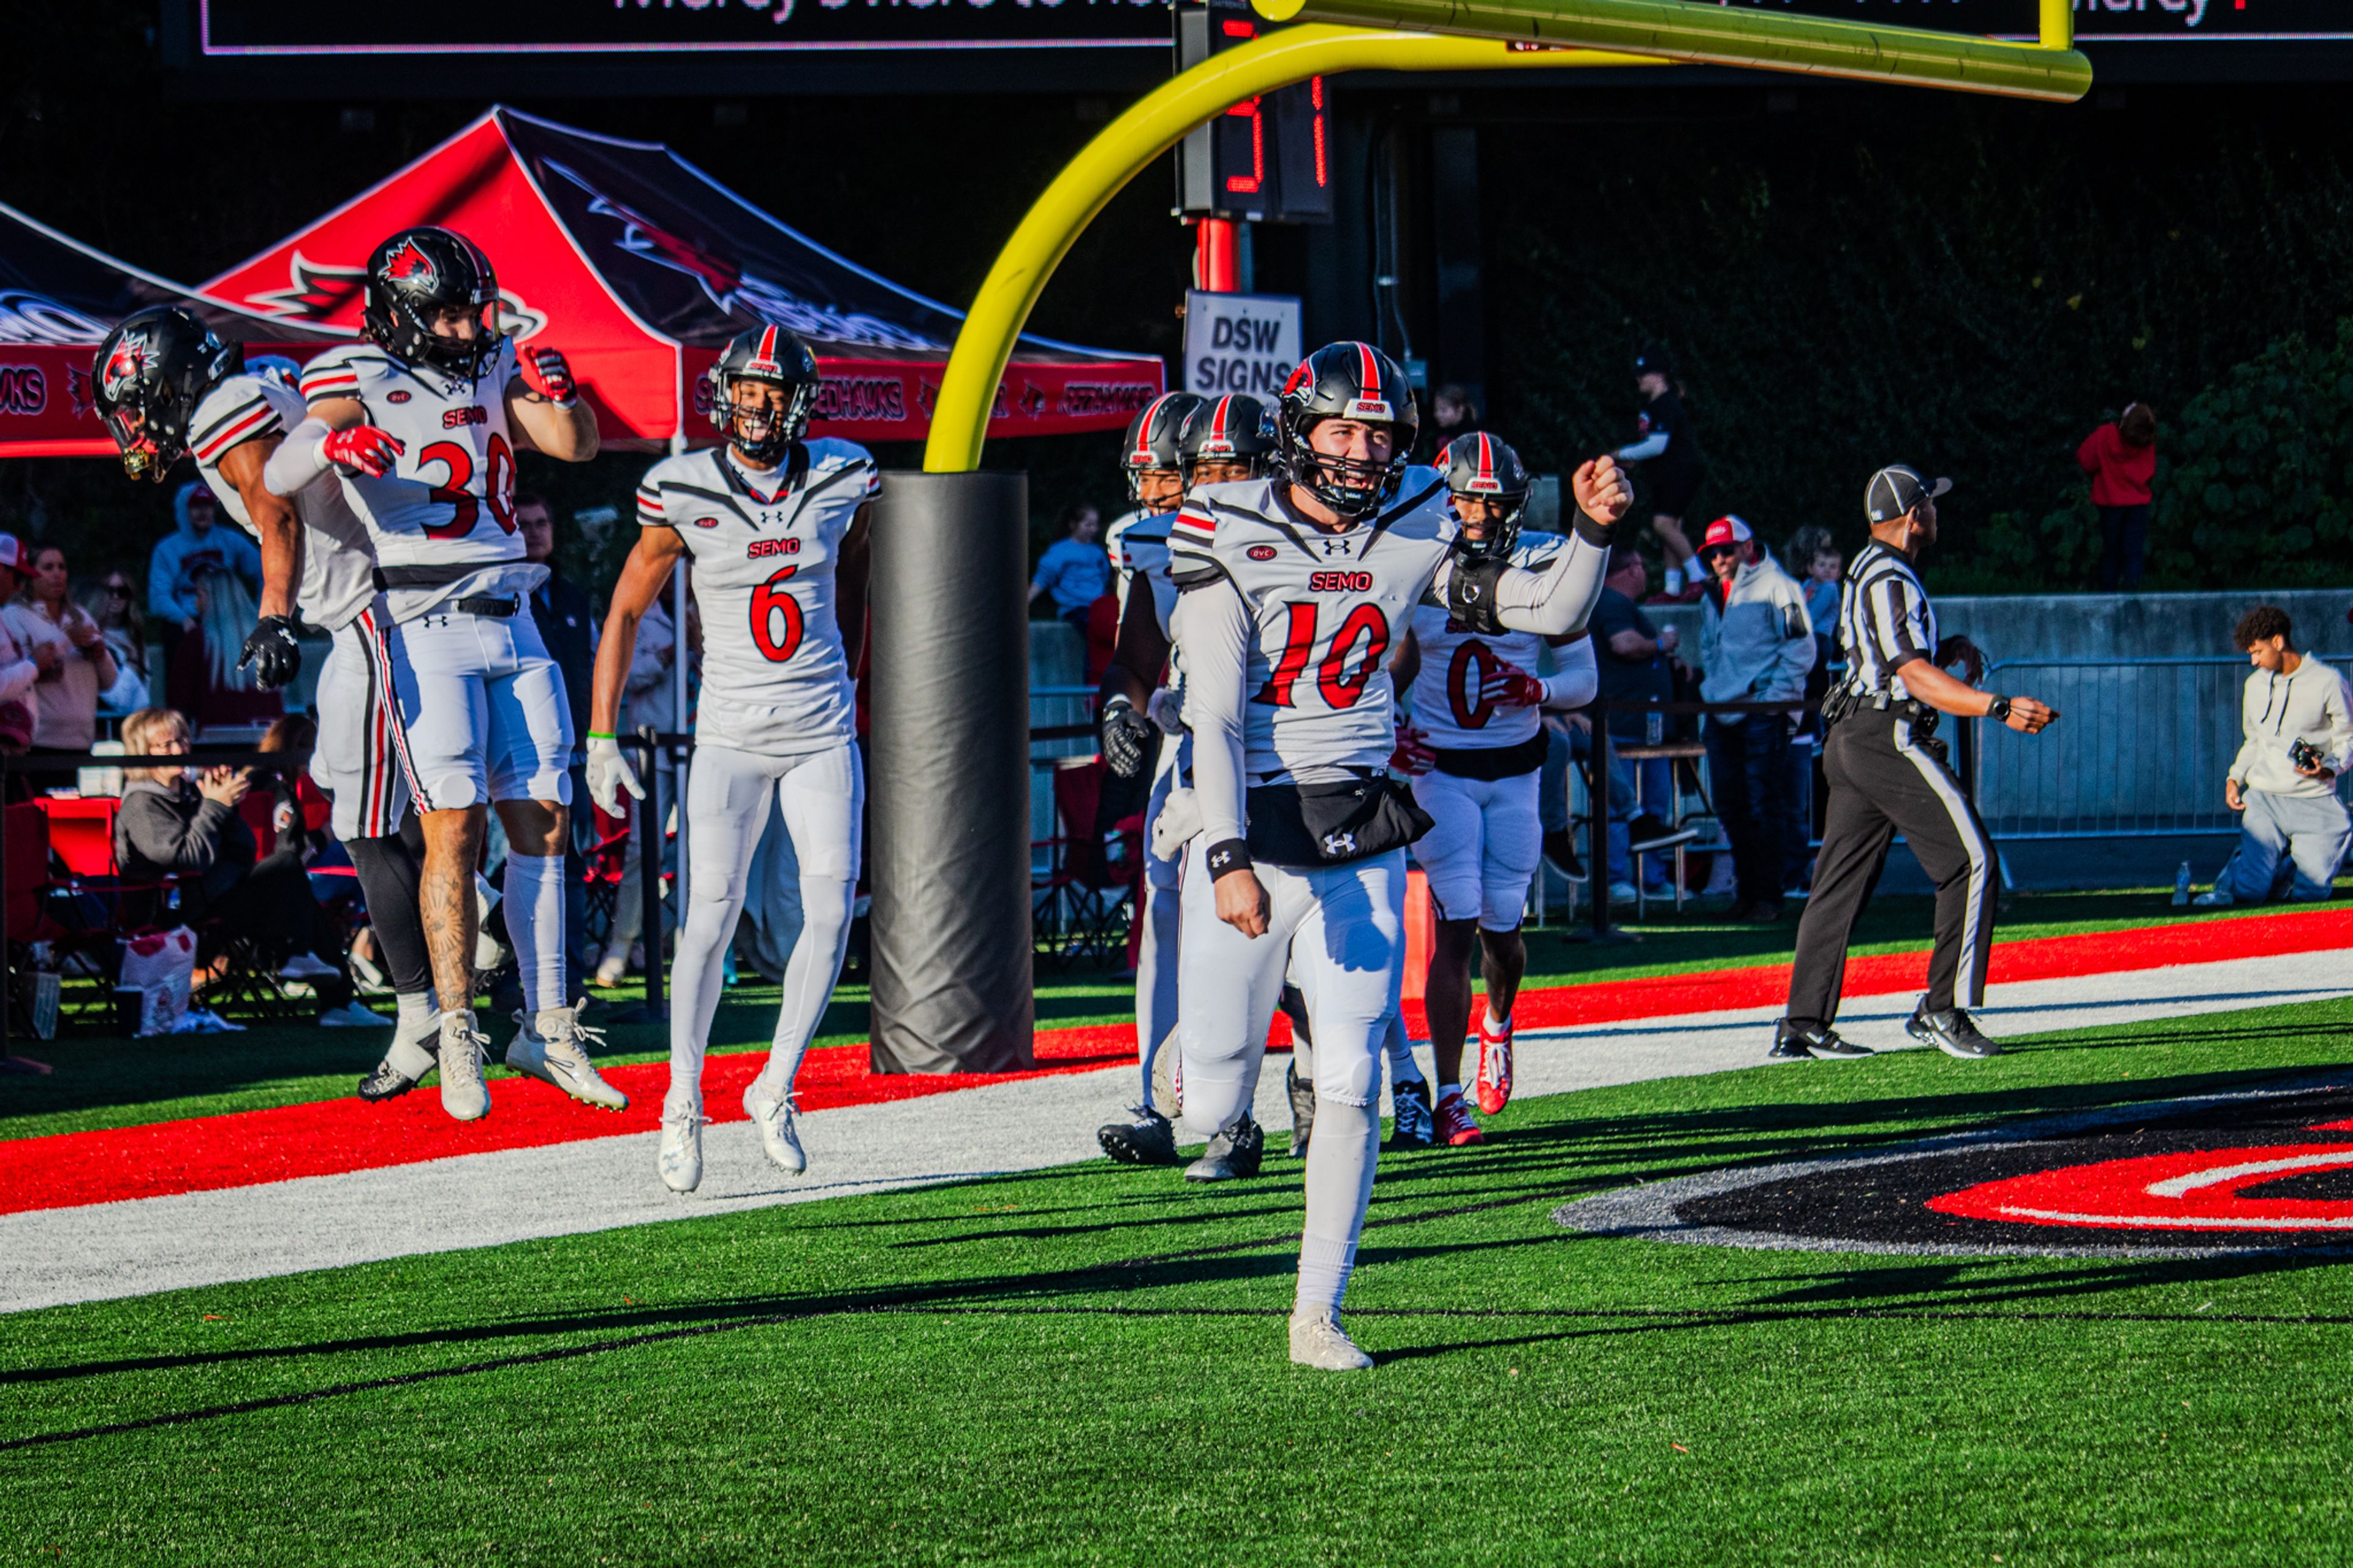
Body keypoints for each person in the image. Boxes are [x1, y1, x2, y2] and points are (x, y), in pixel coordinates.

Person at [1168, 339, 1627, 1370]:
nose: (1360, 449)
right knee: (1209, 1096)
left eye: (1378, 432)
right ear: (1298, 430)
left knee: (1350, 1081)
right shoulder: (1225, 522)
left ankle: (1315, 1311)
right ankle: (1189, 1062)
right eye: (1341, 427)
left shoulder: (1416, 517)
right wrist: (1227, 850)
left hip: (1363, 824)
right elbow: (1212, 713)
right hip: (1255, 829)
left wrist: (1595, 531)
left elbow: (1547, 609)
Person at [260, 229, 618, 1119]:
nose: (465, 328)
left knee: (545, 827)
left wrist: (562, 397)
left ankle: (549, 1025)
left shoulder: (494, 365)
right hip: (427, 625)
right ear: (398, 314)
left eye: (471, 310)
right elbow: (278, 466)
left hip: (516, 614)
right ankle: (456, 1030)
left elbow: (574, 446)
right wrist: (332, 452)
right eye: (448, 313)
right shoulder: (357, 374)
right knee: (451, 831)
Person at [93, 304, 446, 1097]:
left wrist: (272, 615)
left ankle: (445, 973)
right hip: (364, 606)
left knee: (373, 809)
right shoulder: (258, 386)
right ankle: (438, 969)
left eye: (138, 399)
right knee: (348, 789)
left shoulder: (224, 408)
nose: (137, 423)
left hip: (363, 609)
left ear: (170, 377)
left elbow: (274, 511)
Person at [590, 323, 874, 1194]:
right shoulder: (682, 488)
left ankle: (775, 1084)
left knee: (830, 916)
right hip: (730, 737)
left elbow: (856, 581)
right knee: (706, 923)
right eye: (745, 390)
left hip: (822, 729)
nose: (757, 405)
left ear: (799, 398)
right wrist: (601, 733)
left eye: (772, 390)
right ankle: (682, 1098)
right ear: (725, 395)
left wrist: (851, 683)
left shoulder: (840, 475)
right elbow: (628, 609)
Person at [1776, 466, 2055, 1063]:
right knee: (1972, 859)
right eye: (1931, 503)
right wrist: (1997, 707)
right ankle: (1942, 1009)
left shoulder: (1869, 568)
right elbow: (1909, 674)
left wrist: (1947, 646)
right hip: (1885, 735)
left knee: (1837, 886)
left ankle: (1801, 1024)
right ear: (1912, 515)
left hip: (1850, 737)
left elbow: (1890, 653)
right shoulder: (1891, 573)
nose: (1937, 512)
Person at [1392, 432, 1599, 1147]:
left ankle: (1499, 1020)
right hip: (1440, 768)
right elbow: (1370, 659)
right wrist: (1391, 725)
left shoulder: (1540, 557)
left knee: (1503, 935)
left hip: (1515, 769)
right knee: (1453, 926)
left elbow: (1585, 677)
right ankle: (1450, 1094)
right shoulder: (1414, 560)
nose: (1478, 516)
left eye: (1493, 502)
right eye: (1467, 500)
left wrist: (1538, 686)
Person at [1094, 392, 1258, 1167]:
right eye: (1187, 471)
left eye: (1178, 474)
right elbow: (1135, 656)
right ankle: (1160, 1098)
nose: (1169, 490)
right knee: (1168, 921)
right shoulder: (1161, 546)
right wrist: (1124, 713)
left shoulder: (1291, 533)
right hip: (1190, 752)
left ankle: (1271, 1099)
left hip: (1279, 755)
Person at [112, 706, 373, 1025]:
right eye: (166, 745)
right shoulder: (142, 802)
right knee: (288, 873)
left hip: (213, 895)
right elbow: (188, 859)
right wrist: (214, 806)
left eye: (182, 740)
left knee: (287, 867)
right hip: (175, 911)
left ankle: (319, 980)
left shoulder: (189, 794)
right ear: (144, 752)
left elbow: (243, 853)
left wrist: (228, 808)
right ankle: (327, 990)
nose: (179, 750)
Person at [1694, 515, 1815, 923]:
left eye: (1727, 549)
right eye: (1712, 552)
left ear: (1749, 547)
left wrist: (1773, 698)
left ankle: (1767, 895)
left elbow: (1801, 647)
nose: (1720, 558)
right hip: (1725, 708)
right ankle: (1748, 893)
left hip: (1761, 709)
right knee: (1732, 805)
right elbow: (1709, 650)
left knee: (1763, 802)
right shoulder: (1711, 595)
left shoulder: (1781, 586)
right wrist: (1713, 688)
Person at [2192, 605, 2353, 908]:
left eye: (2258, 652)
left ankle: (2288, 867)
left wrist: (2328, 769)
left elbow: (2348, 737)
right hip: (2264, 798)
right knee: (2250, 893)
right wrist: (2234, 777)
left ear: (2278, 642)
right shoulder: (2254, 685)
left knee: (2312, 895)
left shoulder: (2328, 681)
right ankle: (2240, 869)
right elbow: (2253, 740)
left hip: (2315, 799)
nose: (2254, 661)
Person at [1586, 545, 1701, 903]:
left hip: (1647, 728)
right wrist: (1660, 643)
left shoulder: (1619, 605)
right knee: (1621, 808)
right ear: (1630, 568)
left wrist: (1668, 662)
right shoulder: (1610, 603)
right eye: (1640, 563)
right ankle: (1617, 879)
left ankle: (1652, 878)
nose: (1645, 571)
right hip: (1621, 726)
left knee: (1653, 807)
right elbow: (1623, 644)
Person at [520, 493, 602, 986]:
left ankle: (571, 980)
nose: (534, 532)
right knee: (521, 865)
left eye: (542, 522)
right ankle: (516, 982)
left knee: (571, 865)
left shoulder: (570, 594)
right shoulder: (506, 594)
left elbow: (586, 669)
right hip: (521, 756)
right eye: (525, 523)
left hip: (573, 750)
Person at [148, 480, 262, 719]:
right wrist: (184, 620)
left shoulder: (230, 540)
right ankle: (182, 722)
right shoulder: (168, 548)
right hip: (186, 623)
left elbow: (265, 571)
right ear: (183, 511)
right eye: (196, 507)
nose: (203, 512)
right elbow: (159, 596)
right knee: (183, 683)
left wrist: (260, 611)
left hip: (227, 621)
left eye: (208, 506)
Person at [5, 543, 115, 789]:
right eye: (48, 567)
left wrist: (100, 655)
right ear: (31, 575)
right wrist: (68, 640)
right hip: (38, 742)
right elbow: (21, 673)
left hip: (82, 742)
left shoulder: (80, 615)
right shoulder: (13, 616)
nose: (57, 574)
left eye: (62, 567)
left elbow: (110, 682)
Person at [1612, 347, 1705, 601]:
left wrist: (1622, 453)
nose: (1639, 379)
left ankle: (1700, 578)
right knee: (1672, 528)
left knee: (1662, 525)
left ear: (1660, 375)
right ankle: (1673, 589)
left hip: (1679, 472)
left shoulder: (1665, 404)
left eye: (1645, 374)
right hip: (1667, 475)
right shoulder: (1655, 406)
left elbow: (1657, 445)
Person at [2078, 403, 2158, 591]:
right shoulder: (2146, 443)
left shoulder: (2106, 435)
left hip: (2110, 503)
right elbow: (2150, 473)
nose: (2132, 404)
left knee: (2111, 552)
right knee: (2134, 552)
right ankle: (2132, 596)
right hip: (2138, 504)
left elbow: (2085, 460)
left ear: (2125, 421)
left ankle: (2109, 597)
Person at [1029, 502, 1110, 632]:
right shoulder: (1060, 551)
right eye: (1088, 525)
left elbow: (1105, 577)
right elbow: (1042, 579)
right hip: (1075, 608)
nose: (1093, 529)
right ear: (1073, 525)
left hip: (1098, 606)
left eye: (1095, 525)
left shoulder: (1098, 552)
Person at [77, 570, 148, 712]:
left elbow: (145, 688)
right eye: (109, 591)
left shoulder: (136, 636)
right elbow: (118, 699)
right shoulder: (89, 638)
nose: (115, 597)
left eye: (122, 592)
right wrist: (133, 661)